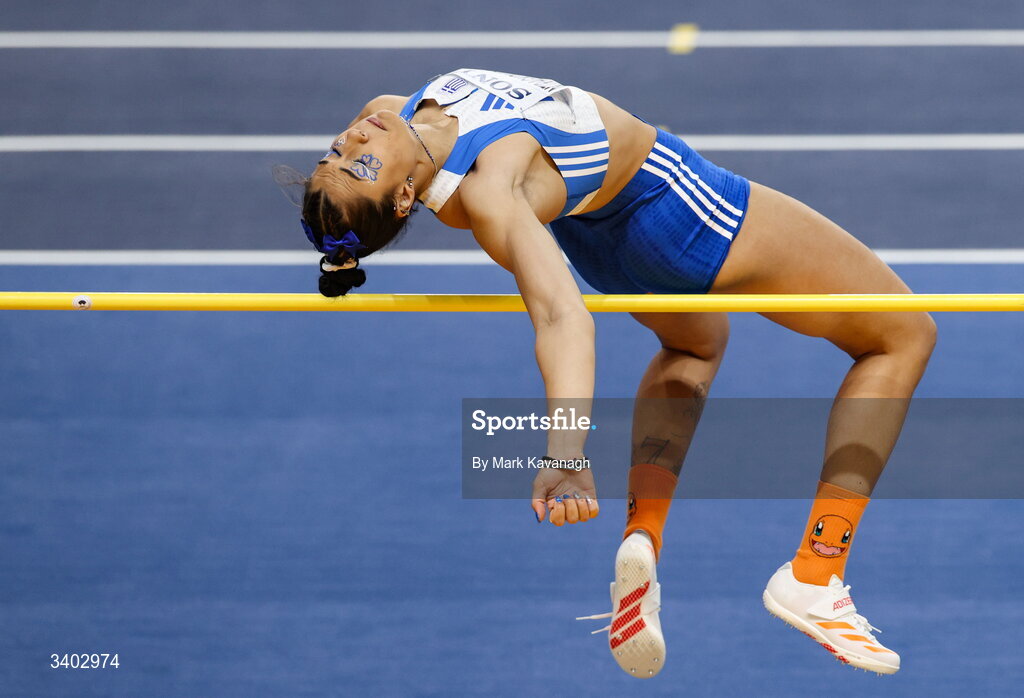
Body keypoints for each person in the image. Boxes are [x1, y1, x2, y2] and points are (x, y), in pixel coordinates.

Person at [276, 68, 936, 678]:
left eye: (334, 153)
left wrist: (339, 230)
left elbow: (357, 181)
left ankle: (642, 540)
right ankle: (817, 572)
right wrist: (565, 449)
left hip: (599, 235)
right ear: (401, 201)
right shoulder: (488, 191)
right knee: (901, 336)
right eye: (359, 163)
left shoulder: (385, 115)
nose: (352, 139)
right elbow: (563, 319)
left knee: (694, 349)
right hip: (675, 206)